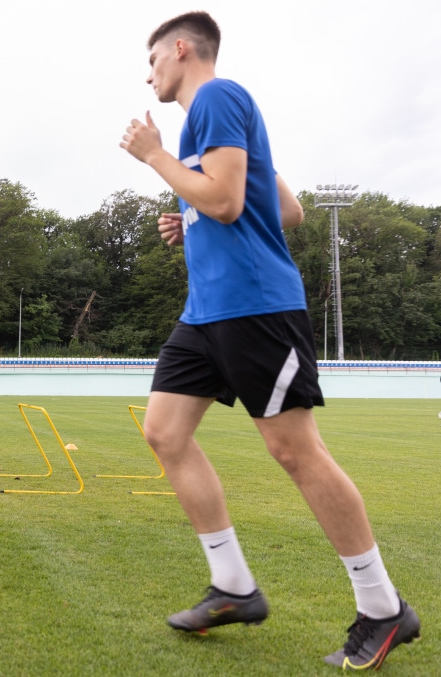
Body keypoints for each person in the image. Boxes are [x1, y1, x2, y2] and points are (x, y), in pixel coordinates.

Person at [119, 11, 419, 670]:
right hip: (206, 313)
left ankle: (381, 605)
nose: (148, 78)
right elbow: (283, 209)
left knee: (293, 449)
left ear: (179, 50)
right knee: (164, 431)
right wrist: (189, 214)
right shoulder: (213, 121)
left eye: (151, 64)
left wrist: (156, 158)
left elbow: (227, 202)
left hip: (255, 307)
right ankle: (232, 585)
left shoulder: (219, 98)